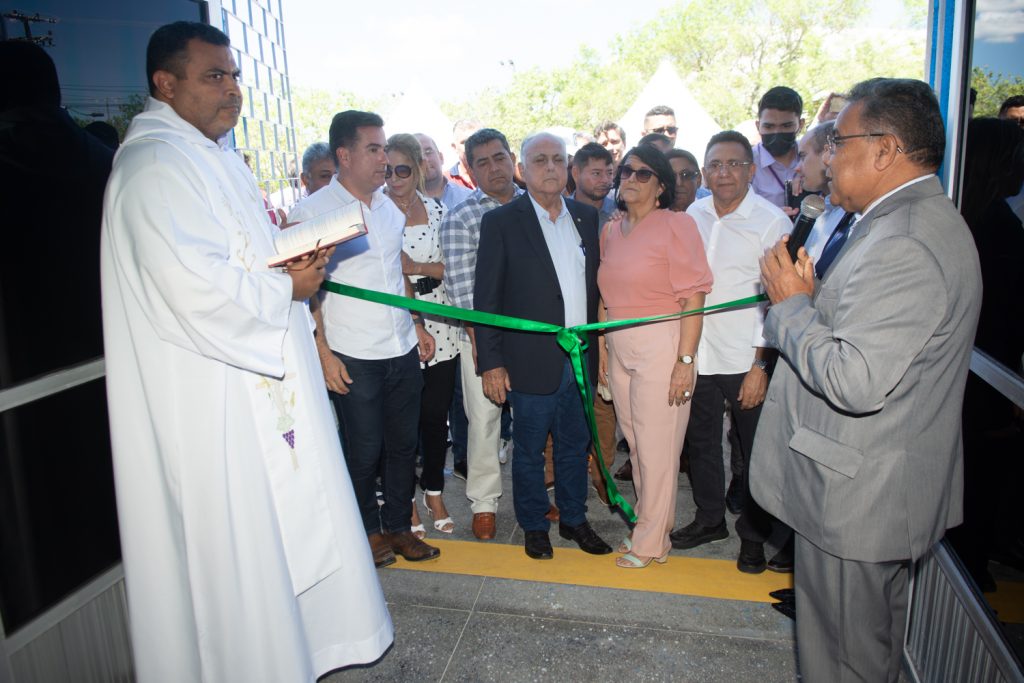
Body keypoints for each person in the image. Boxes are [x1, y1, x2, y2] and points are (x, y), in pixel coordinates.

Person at [100, 22, 392, 680]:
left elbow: (240, 255)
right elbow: (193, 288)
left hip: (257, 381)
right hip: (211, 400)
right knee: (237, 551)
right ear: (164, 83)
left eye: (234, 75)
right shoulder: (152, 167)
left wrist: (292, 254)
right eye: (214, 76)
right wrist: (286, 283)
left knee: (284, 537)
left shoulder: (217, 156)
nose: (233, 89)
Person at [753, 78, 982, 682]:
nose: (828, 158)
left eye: (841, 142)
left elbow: (855, 379)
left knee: (844, 665)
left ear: (885, 150)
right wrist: (811, 298)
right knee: (865, 654)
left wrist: (793, 306)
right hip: (864, 487)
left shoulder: (904, 242)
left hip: (858, 497)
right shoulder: (895, 224)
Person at [290, 110, 440, 568]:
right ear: (344, 155)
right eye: (373, 149)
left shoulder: (388, 208)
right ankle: (368, 532)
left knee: (401, 445)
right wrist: (322, 351)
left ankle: (398, 528)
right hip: (351, 353)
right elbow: (301, 291)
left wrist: (415, 323)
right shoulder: (311, 213)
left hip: (400, 345)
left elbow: (395, 272)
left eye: (384, 148)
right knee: (363, 448)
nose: (384, 158)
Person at [474, 132, 613, 560]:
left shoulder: (586, 218)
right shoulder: (501, 221)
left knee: (575, 446)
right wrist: (491, 363)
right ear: (523, 168)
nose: (549, 168)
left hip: (579, 359)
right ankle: (534, 524)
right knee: (530, 450)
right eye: (540, 160)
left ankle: (574, 520)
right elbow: (487, 299)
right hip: (528, 362)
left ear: (569, 168)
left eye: (557, 160)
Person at [677, 131, 792, 574]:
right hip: (698, 353)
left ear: (750, 169)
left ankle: (754, 535)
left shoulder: (770, 222)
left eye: (734, 164)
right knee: (701, 442)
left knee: (756, 452)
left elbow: (779, 300)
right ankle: (709, 520)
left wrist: (761, 365)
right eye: (715, 165)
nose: (723, 173)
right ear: (705, 172)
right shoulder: (693, 213)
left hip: (747, 357)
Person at [598, 145, 712, 568]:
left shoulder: (676, 226)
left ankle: (649, 541)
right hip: (619, 346)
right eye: (626, 170)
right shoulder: (611, 229)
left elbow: (695, 296)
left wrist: (685, 363)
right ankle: (650, 527)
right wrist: (605, 350)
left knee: (658, 449)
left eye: (643, 174)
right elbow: (606, 296)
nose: (630, 177)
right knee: (638, 448)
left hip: (663, 345)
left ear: (661, 185)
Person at [947, 117, 1024, 591]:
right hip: (982, 386)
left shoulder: (969, 222)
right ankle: (971, 573)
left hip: (978, 383)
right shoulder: (997, 229)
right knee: (977, 486)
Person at [440, 128, 523, 540]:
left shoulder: (538, 206)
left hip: (533, 338)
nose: (494, 168)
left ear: (513, 159)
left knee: (533, 419)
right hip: (479, 338)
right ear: (469, 171)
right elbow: (460, 291)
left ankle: (536, 495)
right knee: (485, 420)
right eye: (483, 162)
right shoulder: (463, 216)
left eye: (499, 157)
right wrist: (483, 351)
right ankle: (485, 503)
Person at [384, 133, 459, 538]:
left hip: (443, 320)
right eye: (387, 170)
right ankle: (405, 500)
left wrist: (420, 266)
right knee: (402, 422)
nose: (394, 179)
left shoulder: (437, 210)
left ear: (417, 169)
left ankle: (434, 491)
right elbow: (390, 275)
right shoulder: (374, 214)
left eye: (402, 170)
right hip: (399, 323)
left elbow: (454, 268)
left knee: (435, 417)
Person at [793, 121, 847, 262]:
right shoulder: (812, 207)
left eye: (803, 156)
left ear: (827, 153)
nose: (797, 168)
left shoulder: (851, 217)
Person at [751, 86, 805, 210]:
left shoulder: (815, 158)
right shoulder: (747, 162)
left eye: (786, 126)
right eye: (769, 127)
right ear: (758, 126)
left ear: (800, 124)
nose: (777, 133)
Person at [415, 132, 472, 210]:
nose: (424, 159)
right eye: (416, 155)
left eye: (428, 152)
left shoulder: (468, 198)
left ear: (441, 158)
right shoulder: (399, 206)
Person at [449, 119, 483, 190]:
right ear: (454, 147)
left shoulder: (498, 170)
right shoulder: (445, 182)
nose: (472, 146)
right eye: (465, 142)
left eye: (476, 140)